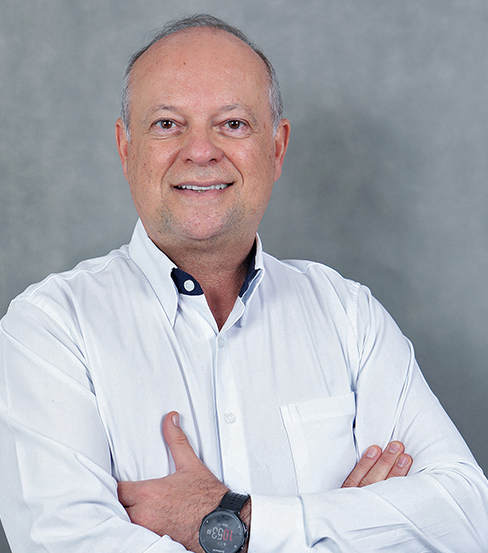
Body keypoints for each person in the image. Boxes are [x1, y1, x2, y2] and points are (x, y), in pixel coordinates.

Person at [0, 13, 487, 553]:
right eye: (167, 124)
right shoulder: (51, 329)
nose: (200, 151)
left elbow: (467, 519)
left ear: (276, 149)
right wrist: (350, 526)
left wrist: (233, 522)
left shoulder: (350, 317)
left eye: (232, 123)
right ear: (126, 148)